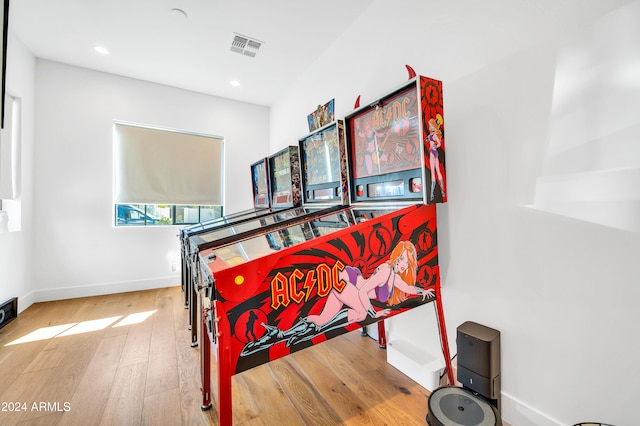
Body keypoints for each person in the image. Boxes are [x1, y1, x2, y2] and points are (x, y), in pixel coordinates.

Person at [240, 241, 434, 356]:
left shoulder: (395, 277)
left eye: (407, 263)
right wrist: (374, 313)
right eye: (402, 260)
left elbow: (408, 287)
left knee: (322, 319)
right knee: (359, 313)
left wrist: (422, 291)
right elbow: (362, 291)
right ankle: (304, 332)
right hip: (347, 281)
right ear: (397, 256)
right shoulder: (385, 271)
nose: (404, 265)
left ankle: (279, 334)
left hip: (345, 283)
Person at [427, 114, 446, 201]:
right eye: (430, 126)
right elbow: (438, 143)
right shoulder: (433, 135)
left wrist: (433, 146)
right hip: (435, 153)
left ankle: (432, 194)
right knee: (437, 171)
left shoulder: (433, 135)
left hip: (432, 153)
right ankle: (442, 191)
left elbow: (439, 144)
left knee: (433, 173)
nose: (430, 127)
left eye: (431, 126)